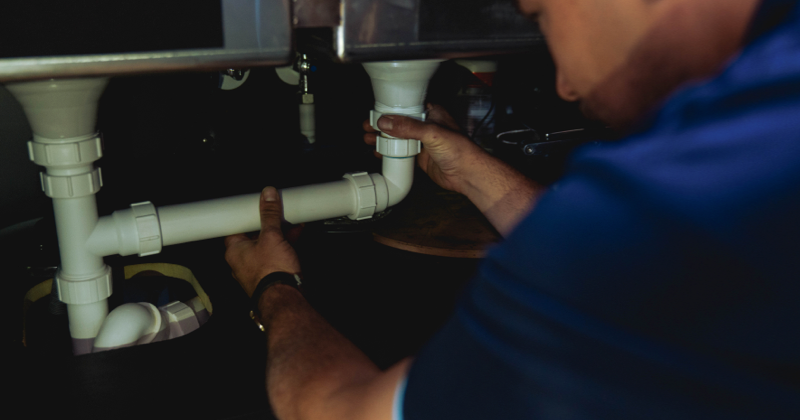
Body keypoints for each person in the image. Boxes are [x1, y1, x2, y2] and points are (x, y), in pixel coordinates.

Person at [224, 0, 800, 418]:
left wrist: (273, 287)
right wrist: (473, 172)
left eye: (542, 13)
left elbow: (341, 412)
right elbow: (663, 268)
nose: (565, 85)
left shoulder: (673, 196)